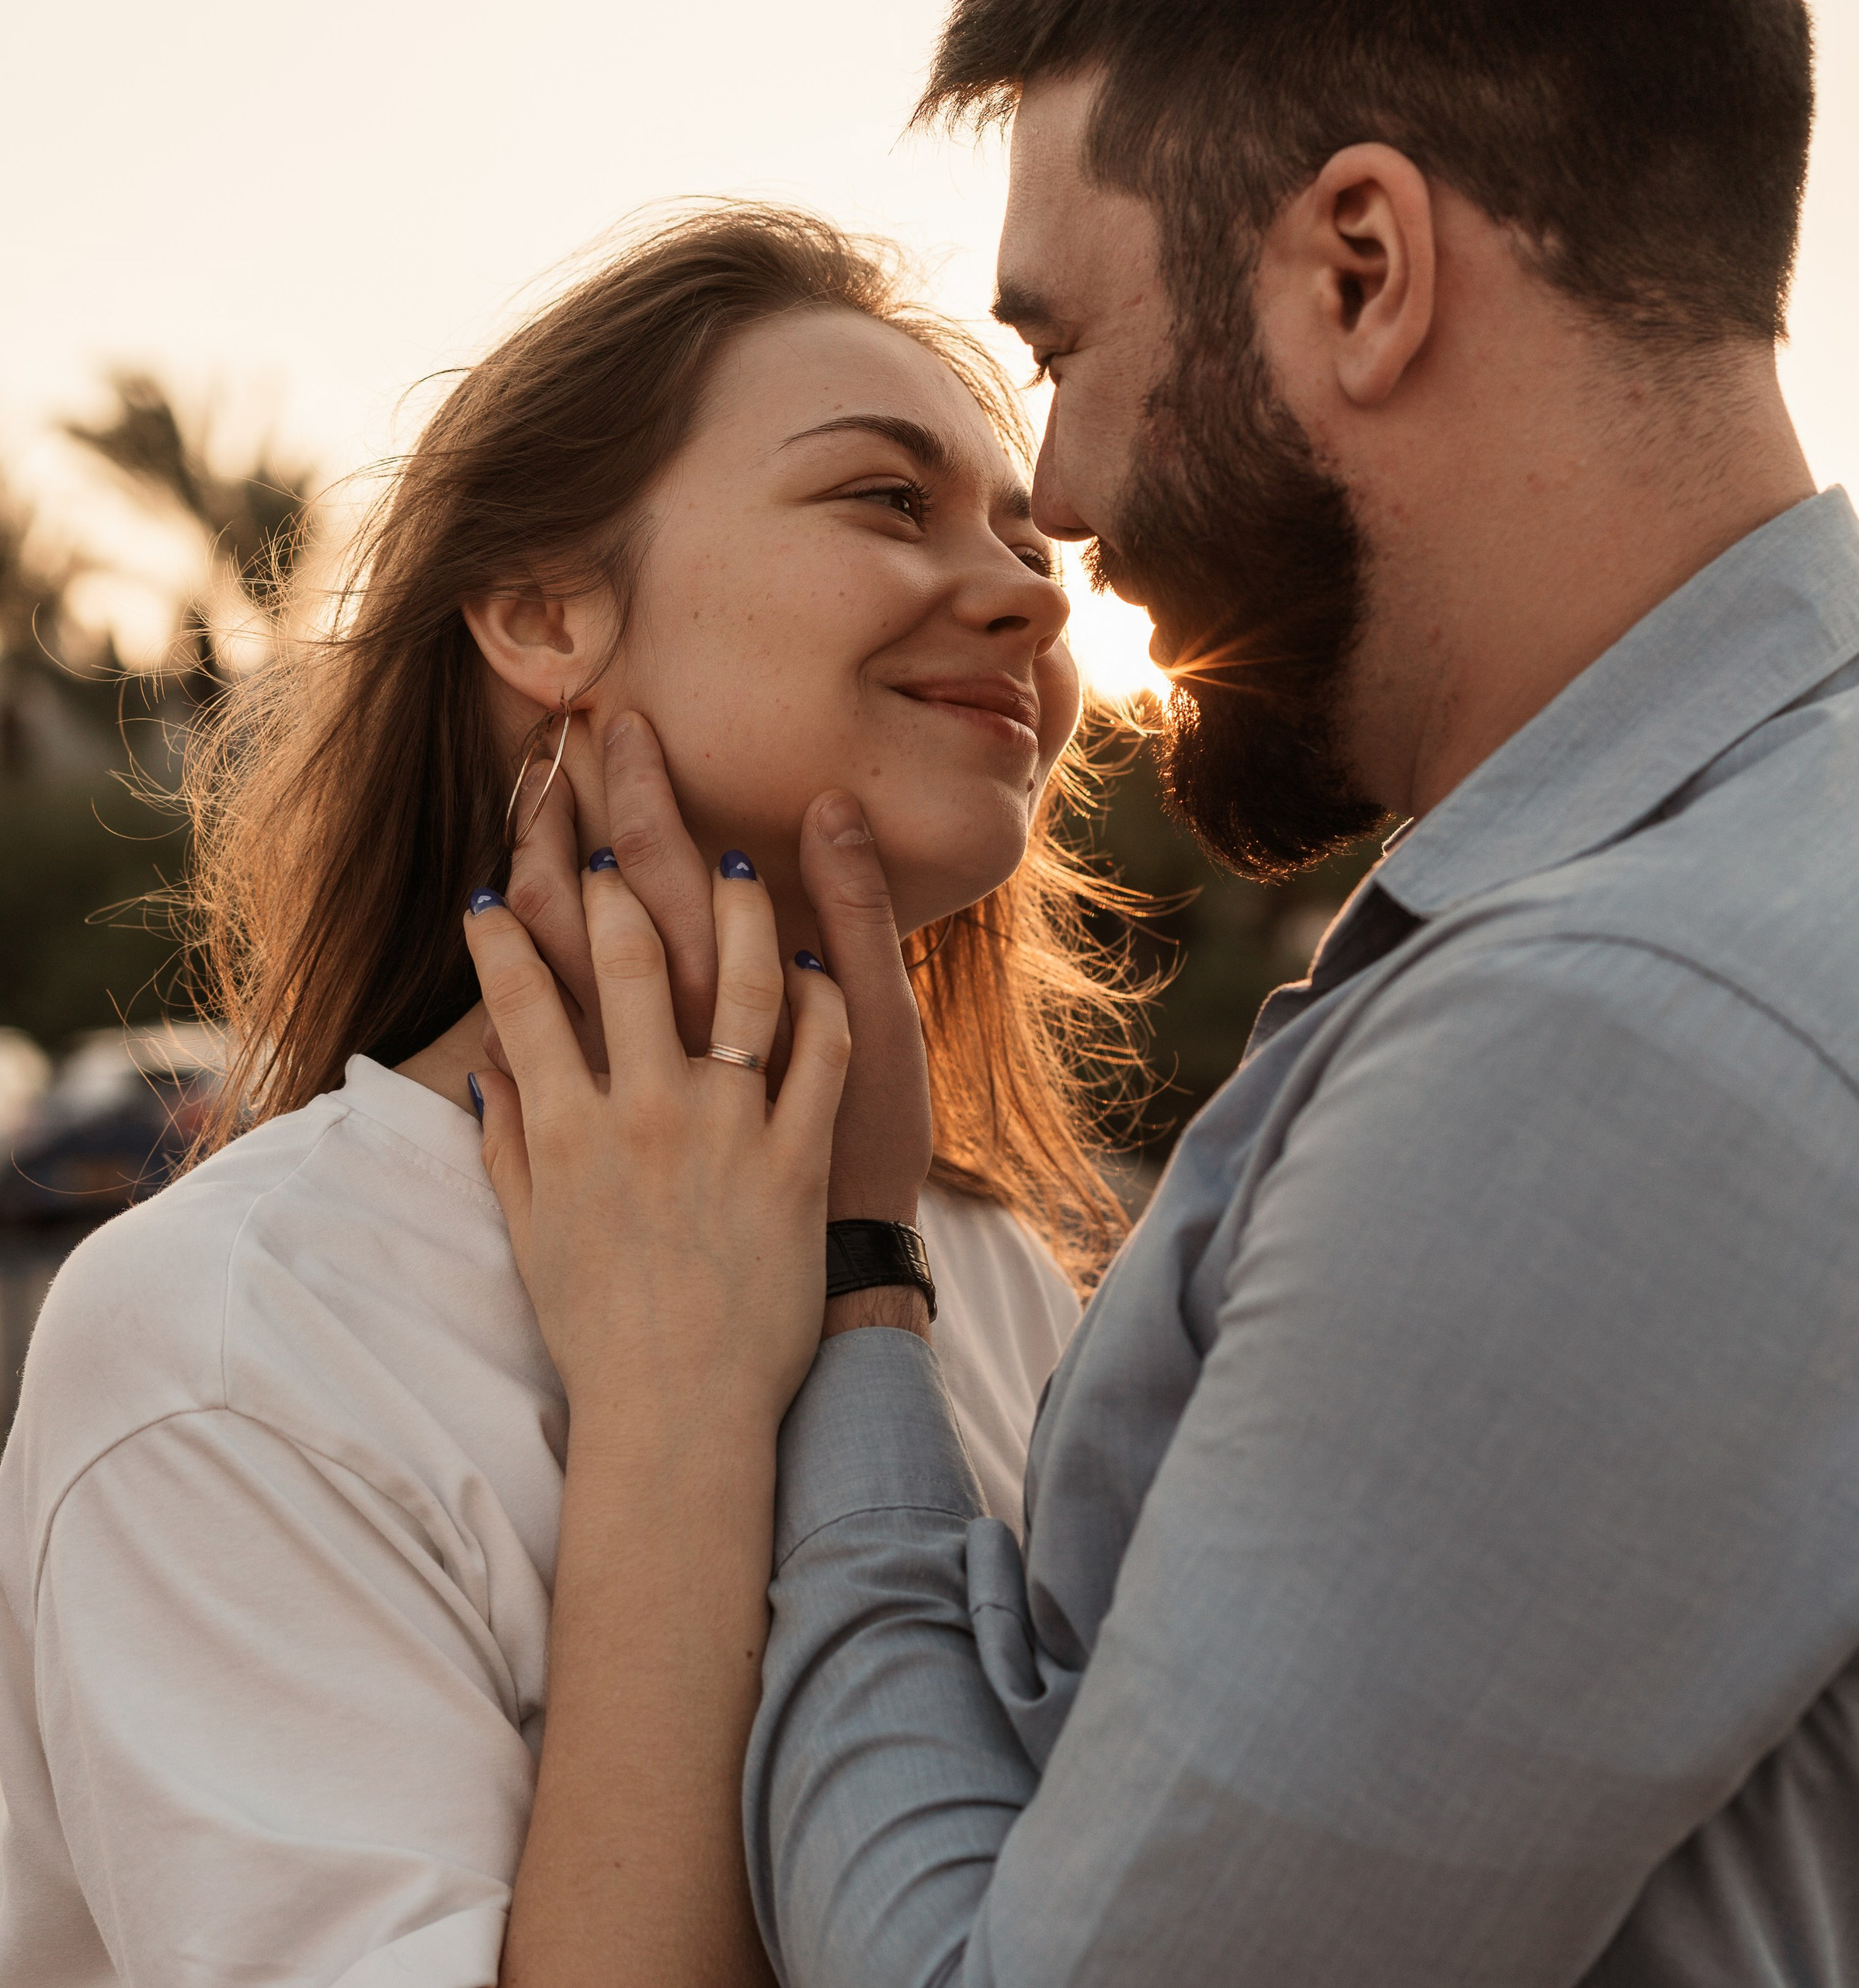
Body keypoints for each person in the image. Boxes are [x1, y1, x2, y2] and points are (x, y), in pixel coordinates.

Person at [462, 2, 1859, 1983]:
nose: (1049, 501)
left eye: (1057, 350)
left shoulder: (1610, 1033)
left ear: (1356, 275)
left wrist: (853, 1295)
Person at [0, 204, 1140, 1986]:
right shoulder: (225, 1338)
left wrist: (850, 1276)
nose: (1028, 587)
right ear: (537, 611)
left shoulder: (979, 1274)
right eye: (883, 501)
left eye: (1010, 525)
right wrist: (675, 1405)